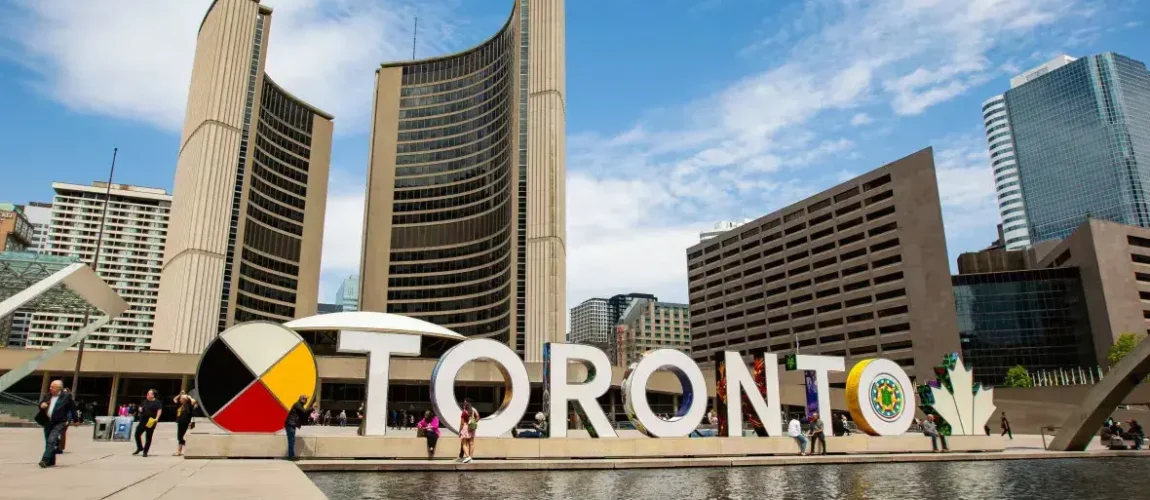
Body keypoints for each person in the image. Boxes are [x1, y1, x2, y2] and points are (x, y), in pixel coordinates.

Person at [35, 380, 75, 468]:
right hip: (48, 421)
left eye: (52, 387)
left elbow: (72, 407)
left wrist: (76, 420)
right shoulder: (48, 395)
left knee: (52, 439)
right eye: (50, 386)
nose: (50, 388)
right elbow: (41, 403)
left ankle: (45, 459)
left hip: (60, 422)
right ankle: (51, 461)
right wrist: (42, 404)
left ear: (58, 388)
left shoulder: (66, 396)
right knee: (48, 441)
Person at [132, 390, 163, 457]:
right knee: (137, 434)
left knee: (148, 437)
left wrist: (157, 418)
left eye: (149, 393)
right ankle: (140, 447)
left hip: (151, 421)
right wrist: (140, 409)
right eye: (147, 393)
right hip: (143, 420)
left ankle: (145, 451)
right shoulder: (145, 401)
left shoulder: (157, 402)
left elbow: (159, 410)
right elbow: (140, 407)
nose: (147, 394)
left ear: (153, 395)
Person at [285, 395, 311, 460]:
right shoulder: (297, 405)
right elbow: (304, 412)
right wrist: (312, 408)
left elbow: (304, 414)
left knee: (292, 441)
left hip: (292, 424)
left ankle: (292, 456)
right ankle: (291, 457)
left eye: (306, 399)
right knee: (291, 441)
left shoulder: (300, 405)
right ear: (301, 399)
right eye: (305, 399)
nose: (306, 401)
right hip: (290, 424)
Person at [173, 392, 197, 456]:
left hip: (185, 422)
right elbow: (174, 399)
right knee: (180, 437)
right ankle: (179, 451)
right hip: (179, 422)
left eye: (181, 398)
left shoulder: (189, 405)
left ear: (184, 400)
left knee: (179, 437)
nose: (180, 399)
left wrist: (189, 397)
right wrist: (180, 394)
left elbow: (194, 401)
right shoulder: (180, 405)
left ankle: (187, 446)